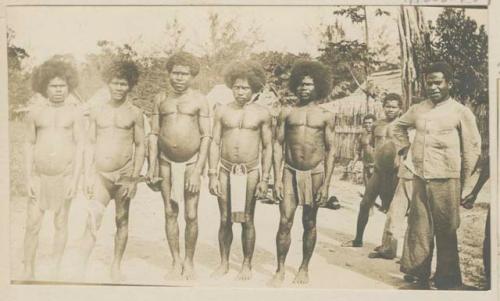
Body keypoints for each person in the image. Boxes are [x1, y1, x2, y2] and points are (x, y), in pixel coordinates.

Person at [393, 62, 481, 290]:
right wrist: (404, 150)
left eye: (438, 82)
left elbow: (472, 148)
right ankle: (417, 274)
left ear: (448, 84)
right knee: (419, 227)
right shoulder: (418, 109)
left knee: (446, 229)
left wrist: (466, 183)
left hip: (447, 178)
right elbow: (397, 128)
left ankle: (447, 279)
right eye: (429, 82)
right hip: (421, 177)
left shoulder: (460, 112)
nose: (433, 87)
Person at [146, 52, 211, 280]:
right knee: (169, 212)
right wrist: (151, 167)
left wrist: (198, 170)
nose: (179, 78)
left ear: (192, 76)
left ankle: (189, 262)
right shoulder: (160, 98)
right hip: (165, 162)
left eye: (184, 74)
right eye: (175, 73)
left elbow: (206, 137)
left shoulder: (200, 100)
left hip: (191, 162)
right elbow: (153, 134)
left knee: (191, 215)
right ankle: (175, 261)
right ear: (169, 73)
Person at [271, 60, 336, 285]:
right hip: (290, 172)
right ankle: (279, 269)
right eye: (300, 84)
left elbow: (331, 150)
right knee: (285, 221)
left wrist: (327, 184)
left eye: (308, 85)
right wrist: (276, 179)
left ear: (318, 86)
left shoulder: (326, 116)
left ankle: (304, 268)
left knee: (309, 222)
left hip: (315, 173)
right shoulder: (286, 113)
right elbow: (277, 144)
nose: (303, 88)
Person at [80, 60, 146, 282]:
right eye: (115, 83)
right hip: (100, 175)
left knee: (122, 220)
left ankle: (116, 266)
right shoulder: (98, 111)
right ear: (108, 83)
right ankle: (80, 268)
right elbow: (89, 143)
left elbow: (141, 146)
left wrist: (133, 179)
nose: (119, 88)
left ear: (130, 86)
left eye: (123, 84)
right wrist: (87, 176)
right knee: (91, 219)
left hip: (124, 175)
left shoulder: (135, 113)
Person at [208, 61, 273, 280]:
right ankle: (224, 262)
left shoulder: (263, 114)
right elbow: (215, 142)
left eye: (245, 88)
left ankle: (247, 264)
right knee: (225, 218)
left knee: (247, 219)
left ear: (254, 89)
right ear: (231, 87)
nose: (240, 91)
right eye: (236, 87)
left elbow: (268, 147)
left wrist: (265, 178)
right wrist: (212, 174)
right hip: (225, 169)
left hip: (251, 171)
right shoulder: (222, 111)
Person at [23, 58, 84, 279]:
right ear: (44, 87)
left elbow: (80, 147)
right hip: (40, 178)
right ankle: (28, 269)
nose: (58, 90)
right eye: (53, 86)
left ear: (69, 87)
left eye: (62, 86)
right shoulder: (34, 113)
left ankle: (55, 268)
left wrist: (74, 180)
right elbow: (29, 144)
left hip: (64, 177)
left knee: (61, 222)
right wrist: (28, 177)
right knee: (32, 224)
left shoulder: (75, 114)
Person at [342, 93, 402, 248]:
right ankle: (358, 239)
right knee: (365, 204)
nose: (390, 110)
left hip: (395, 173)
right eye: (387, 106)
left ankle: (389, 247)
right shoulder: (377, 125)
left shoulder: (404, 125)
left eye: (394, 107)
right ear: (383, 107)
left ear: (400, 109)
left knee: (391, 209)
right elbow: (374, 146)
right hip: (378, 171)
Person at [350, 114, 376, 186]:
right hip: (366, 165)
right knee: (368, 190)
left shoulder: (378, 135)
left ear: (374, 123)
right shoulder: (362, 136)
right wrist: (353, 163)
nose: (368, 125)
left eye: (370, 123)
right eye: (366, 123)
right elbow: (358, 152)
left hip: (377, 166)